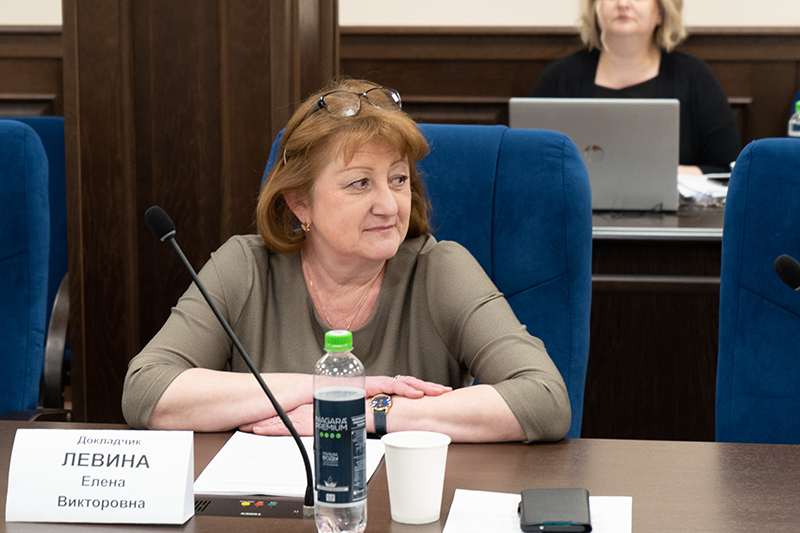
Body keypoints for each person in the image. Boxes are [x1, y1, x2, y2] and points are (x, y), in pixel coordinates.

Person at [122, 79, 572, 443]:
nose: (389, 205)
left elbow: (545, 400)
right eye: (360, 183)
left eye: (398, 179)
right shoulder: (245, 267)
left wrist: (370, 411)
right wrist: (322, 390)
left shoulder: (439, 270)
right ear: (300, 202)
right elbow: (147, 390)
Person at [530, 0, 741, 175]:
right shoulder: (560, 77)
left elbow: (727, 167)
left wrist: (667, 176)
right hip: (577, 211)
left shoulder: (695, 77)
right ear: (595, 9)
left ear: (661, 12)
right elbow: (529, 159)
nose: (623, 4)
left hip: (675, 212)